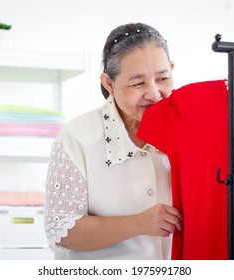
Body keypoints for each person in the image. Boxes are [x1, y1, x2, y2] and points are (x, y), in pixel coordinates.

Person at [44, 22, 182, 260]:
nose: (154, 93)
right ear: (109, 83)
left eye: (162, 78)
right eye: (138, 83)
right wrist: (140, 223)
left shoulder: (191, 129)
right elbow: (61, 230)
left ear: (171, 69)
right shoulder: (77, 136)